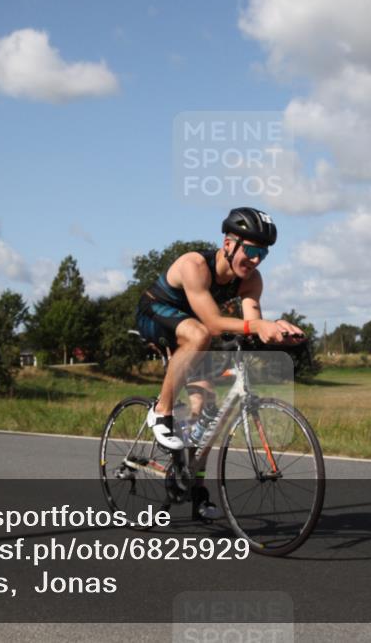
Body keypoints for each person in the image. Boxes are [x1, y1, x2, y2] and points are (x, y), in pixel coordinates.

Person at [135, 207, 305, 518]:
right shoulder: (194, 264)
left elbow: (251, 323)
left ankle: (192, 486)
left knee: (208, 409)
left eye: (262, 254)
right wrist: (257, 326)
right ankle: (162, 412)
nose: (255, 260)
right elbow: (213, 323)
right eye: (251, 250)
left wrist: (278, 329)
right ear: (228, 244)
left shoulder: (251, 281)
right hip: (155, 315)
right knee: (199, 334)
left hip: (190, 330)